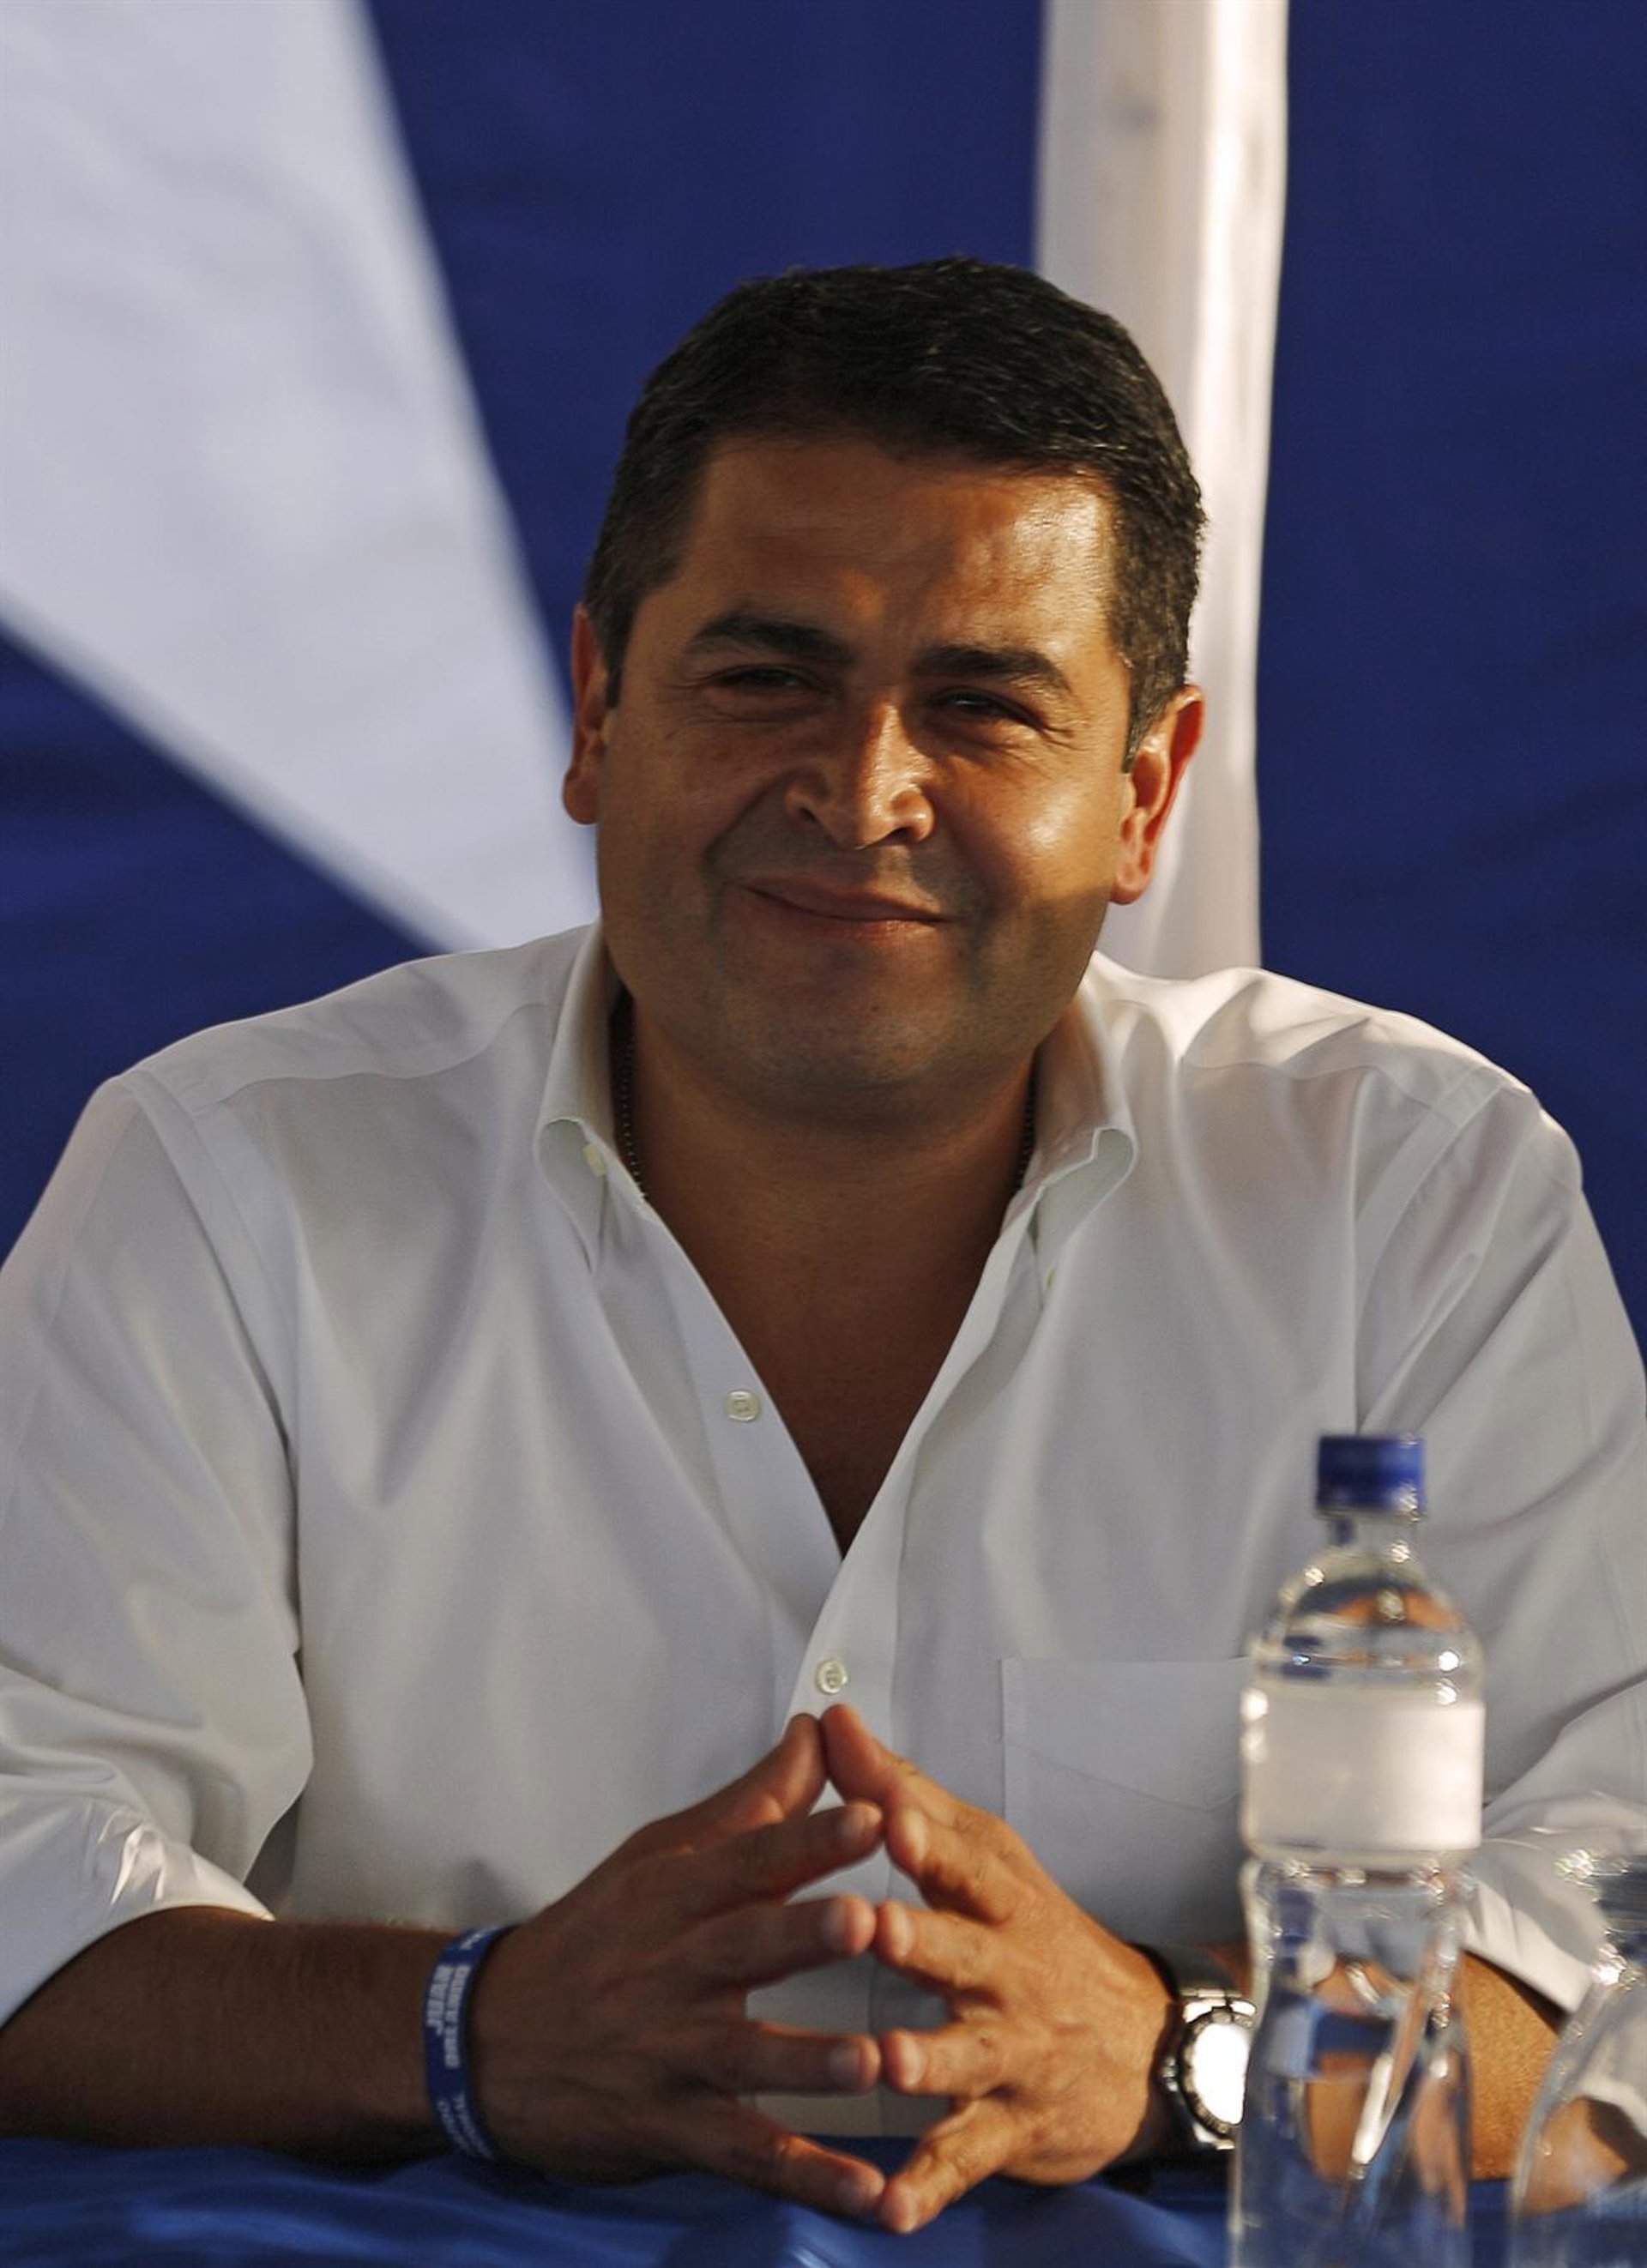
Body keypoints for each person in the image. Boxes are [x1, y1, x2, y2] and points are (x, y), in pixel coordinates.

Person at [0, 259, 1641, 2237]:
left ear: (1143, 795)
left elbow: (1619, 1931)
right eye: (766, 679)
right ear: (599, 711)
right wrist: (473, 2029)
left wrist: (1174, 2047)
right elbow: (19, 1863)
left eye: (985, 706)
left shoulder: (1411, 1188)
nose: (862, 793)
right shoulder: (225, 1176)